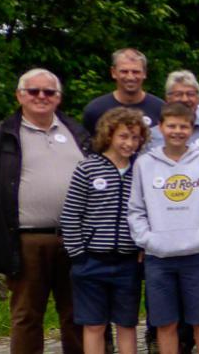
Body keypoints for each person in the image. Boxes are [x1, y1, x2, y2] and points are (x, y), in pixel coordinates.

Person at [0, 68, 89, 354]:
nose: (41, 97)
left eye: (49, 92)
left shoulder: (76, 131)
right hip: (25, 240)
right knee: (26, 315)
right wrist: (7, 212)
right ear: (19, 95)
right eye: (33, 91)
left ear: (58, 98)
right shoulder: (1, 134)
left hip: (75, 238)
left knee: (79, 313)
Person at [128, 102, 199, 354]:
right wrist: (148, 240)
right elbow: (136, 210)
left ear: (192, 129)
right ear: (161, 128)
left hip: (195, 256)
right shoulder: (144, 164)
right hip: (158, 258)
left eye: (183, 126)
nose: (177, 131)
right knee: (165, 322)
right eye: (171, 125)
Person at [60, 108, 149, 354]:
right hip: (91, 260)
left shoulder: (142, 171)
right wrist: (78, 254)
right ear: (109, 135)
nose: (129, 143)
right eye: (123, 136)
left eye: (135, 138)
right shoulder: (88, 168)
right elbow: (70, 215)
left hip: (128, 261)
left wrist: (142, 246)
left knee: (127, 324)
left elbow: (148, 214)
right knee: (94, 325)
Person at [83, 48, 165, 132]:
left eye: (136, 72)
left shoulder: (160, 109)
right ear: (113, 72)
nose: (130, 77)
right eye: (124, 72)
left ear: (145, 73)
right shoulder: (95, 110)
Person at [147, 70, 199, 151]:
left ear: (198, 98)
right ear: (168, 98)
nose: (185, 99)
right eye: (178, 94)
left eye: (190, 94)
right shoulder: (151, 136)